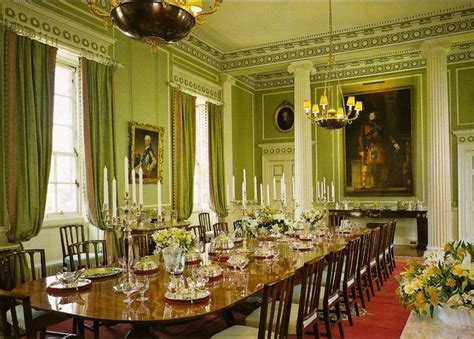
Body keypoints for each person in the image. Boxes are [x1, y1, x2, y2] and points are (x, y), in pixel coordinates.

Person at [358, 111, 400, 188]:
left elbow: (388, 135)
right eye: (370, 114)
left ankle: (379, 183)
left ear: (376, 116)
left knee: (380, 166)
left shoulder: (381, 126)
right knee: (369, 166)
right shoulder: (365, 126)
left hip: (379, 147)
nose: (371, 116)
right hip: (369, 147)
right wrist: (361, 149)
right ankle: (369, 183)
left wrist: (394, 143)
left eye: (373, 114)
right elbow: (361, 137)